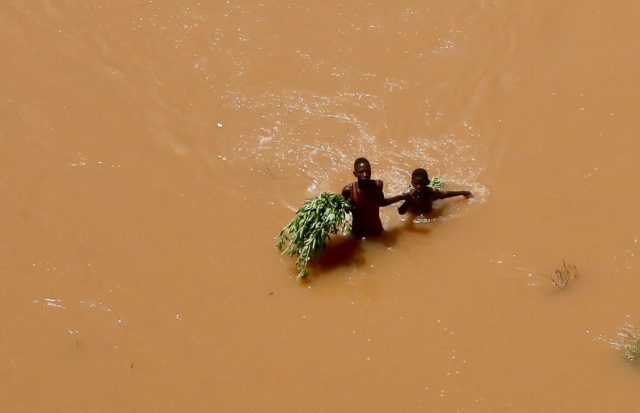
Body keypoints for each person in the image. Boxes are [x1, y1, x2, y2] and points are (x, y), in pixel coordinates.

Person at [342, 158, 405, 238]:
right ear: (355, 173)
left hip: (376, 230)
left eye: (368, 171)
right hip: (358, 233)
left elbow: (381, 202)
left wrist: (401, 197)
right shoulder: (348, 190)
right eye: (361, 172)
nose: (365, 175)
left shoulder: (377, 185)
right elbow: (343, 210)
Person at [397, 168, 472, 216]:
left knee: (440, 184)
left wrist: (464, 192)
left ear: (426, 182)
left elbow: (446, 194)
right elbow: (401, 212)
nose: (419, 186)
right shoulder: (409, 196)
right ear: (412, 183)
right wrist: (407, 201)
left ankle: (436, 181)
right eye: (416, 183)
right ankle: (435, 181)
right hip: (415, 214)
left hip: (428, 207)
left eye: (422, 183)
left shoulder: (431, 193)